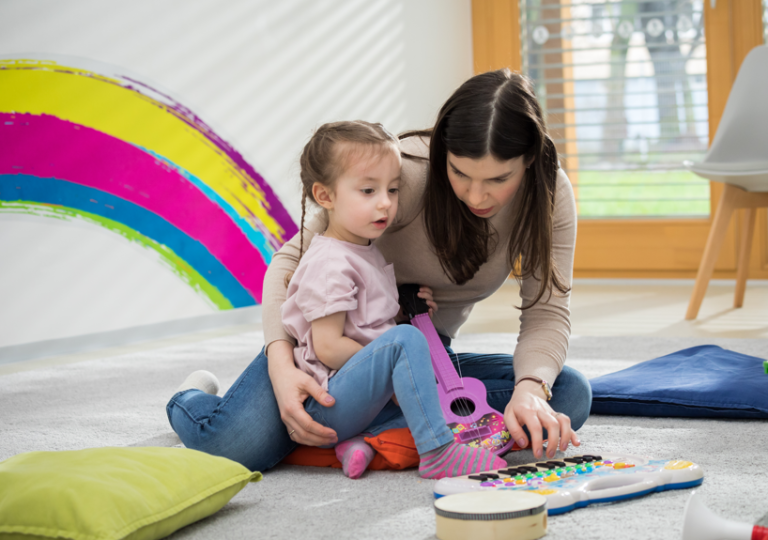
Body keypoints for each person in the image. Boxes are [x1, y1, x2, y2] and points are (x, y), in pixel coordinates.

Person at [166, 69, 592, 473]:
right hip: (330, 346)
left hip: (420, 349)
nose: (475, 195)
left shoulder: (549, 197)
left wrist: (531, 390)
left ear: (530, 159)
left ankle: (372, 438)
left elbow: (547, 312)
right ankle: (193, 398)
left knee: (567, 394)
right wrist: (282, 365)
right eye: (460, 172)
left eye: (498, 179)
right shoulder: (401, 178)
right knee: (234, 445)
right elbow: (290, 263)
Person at [169, 120, 507, 479]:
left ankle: (362, 442)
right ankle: (437, 451)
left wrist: (404, 319)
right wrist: (392, 358)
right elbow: (328, 347)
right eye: (367, 191)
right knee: (409, 348)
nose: (386, 203)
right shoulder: (330, 262)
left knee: (419, 366)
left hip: (355, 395)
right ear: (325, 196)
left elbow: (366, 325)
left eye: (392, 190)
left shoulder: (364, 249)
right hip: (325, 399)